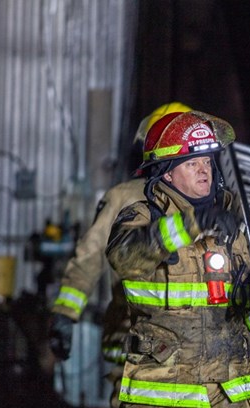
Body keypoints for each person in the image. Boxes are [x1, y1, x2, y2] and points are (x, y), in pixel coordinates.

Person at [104, 110, 250, 408]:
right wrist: (194, 222)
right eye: (192, 164)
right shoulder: (143, 217)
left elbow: (243, 311)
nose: (204, 170)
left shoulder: (234, 224)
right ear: (167, 175)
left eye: (207, 161)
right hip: (161, 396)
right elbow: (124, 257)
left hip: (227, 395)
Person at [49, 102, 191, 390]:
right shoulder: (126, 197)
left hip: (189, 344)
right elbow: (90, 255)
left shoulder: (209, 202)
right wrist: (66, 313)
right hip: (140, 337)